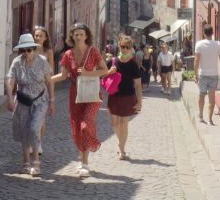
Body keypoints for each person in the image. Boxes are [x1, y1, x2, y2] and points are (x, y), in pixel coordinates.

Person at [52, 23, 108, 178]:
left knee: (86, 123)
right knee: (77, 128)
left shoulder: (94, 51)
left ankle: (86, 160)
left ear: (86, 36)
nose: (78, 36)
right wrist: (47, 80)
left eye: (81, 34)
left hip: (92, 95)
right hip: (75, 95)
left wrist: (88, 73)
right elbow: (63, 76)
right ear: (72, 36)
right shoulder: (68, 54)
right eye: (76, 34)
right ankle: (82, 160)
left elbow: (105, 71)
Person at [6, 33, 55, 177]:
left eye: (29, 49)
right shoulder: (16, 62)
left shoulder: (42, 61)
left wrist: (52, 101)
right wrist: (9, 98)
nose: (26, 53)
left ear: (34, 48)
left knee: (34, 129)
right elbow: (10, 80)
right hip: (23, 102)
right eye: (24, 50)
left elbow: (49, 81)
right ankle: (26, 164)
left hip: (40, 101)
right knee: (24, 132)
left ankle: (36, 163)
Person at [105, 35, 142, 160]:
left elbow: (137, 85)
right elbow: (101, 75)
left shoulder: (133, 64)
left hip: (128, 96)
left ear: (130, 48)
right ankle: (120, 143)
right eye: (122, 47)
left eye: (127, 47)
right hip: (114, 96)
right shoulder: (113, 61)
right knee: (115, 123)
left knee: (124, 123)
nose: (124, 49)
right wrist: (109, 71)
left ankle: (121, 149)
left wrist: (139, 102)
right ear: (119, 46)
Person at [194, 24, 220, 125]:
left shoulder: (199, 44)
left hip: (203, 74)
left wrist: (195, 74)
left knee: (202, 95)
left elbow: (196, 60)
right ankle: (210, 119)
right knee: (212, 98)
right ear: (212, 33)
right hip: (214, 75)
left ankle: (200, 115)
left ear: (203, 33)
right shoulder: (218, 44)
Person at [33, 25, 54, 156]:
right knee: (29, 117)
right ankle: (31, 142)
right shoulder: (30, 49)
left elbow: (51, 71)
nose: (38, 38)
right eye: (36, 35)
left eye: (41, 36)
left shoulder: (48, 51)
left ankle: (38, 142)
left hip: (43, 87)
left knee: (40, 117)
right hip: (29, 85)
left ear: (45, 37)